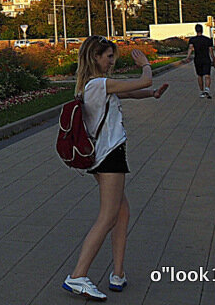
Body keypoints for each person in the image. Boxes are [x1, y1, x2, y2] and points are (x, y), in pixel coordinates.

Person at [63, 37, 168, 301]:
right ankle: (77, 276)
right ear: (95, 57)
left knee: (122, 213)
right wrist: (146, 65)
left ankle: (118, 274)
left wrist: (151, 95)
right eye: (109, 56)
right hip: (109, 157)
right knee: (108, 216)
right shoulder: (98, 83)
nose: (112, 61)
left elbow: (131, 91)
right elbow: (144, 80)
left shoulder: (97, 85)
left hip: (106, 156)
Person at [183, 24, 215, 98]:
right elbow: (211, 50)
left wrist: (187, 57)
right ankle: (207, 89)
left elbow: (190, 48)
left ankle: (201, 91)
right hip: (206, 59)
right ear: (202, 30)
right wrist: (213, 59)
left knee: (199, 76)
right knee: (207, 75)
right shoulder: (207, 39)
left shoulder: (192, 40)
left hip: (197, 59)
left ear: (195, 30)